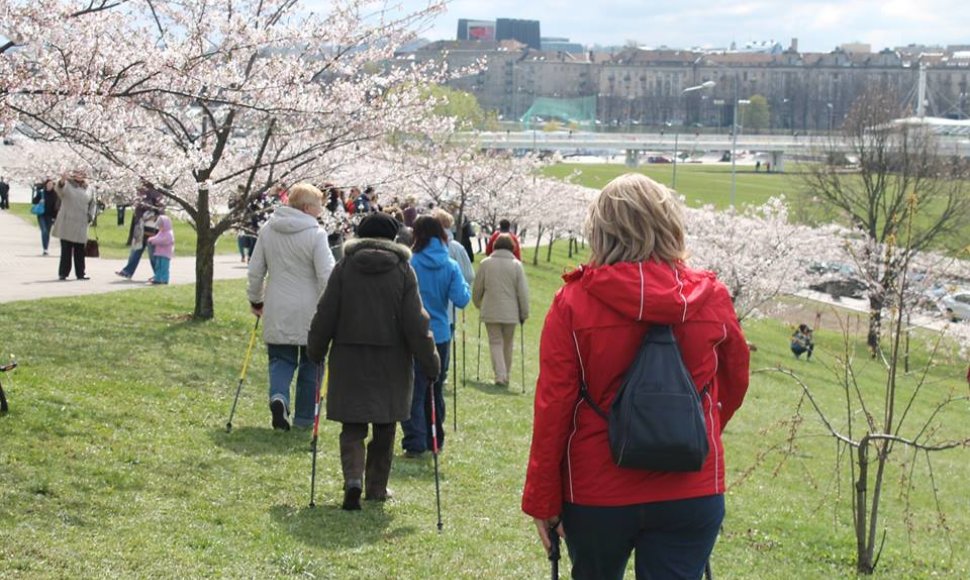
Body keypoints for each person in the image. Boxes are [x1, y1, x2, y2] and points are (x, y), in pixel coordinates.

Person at [522, 173, 750, 580]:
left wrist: (543, 497)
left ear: (600, 230)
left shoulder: (574, 303)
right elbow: (734, 384)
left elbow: (554, 405)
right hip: (690, 483)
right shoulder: (711, 297)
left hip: (597, 485)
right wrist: (691, 429)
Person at [307, 213, 440, 510]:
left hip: (349, 359)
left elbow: (325, 312)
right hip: (391, 362)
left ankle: (353, 480)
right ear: (393, 238)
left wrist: (315, 349)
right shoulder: (404, 271)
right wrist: (430, 360)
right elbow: (416, 322)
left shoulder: (344, 268)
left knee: (352, 425)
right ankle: (376, 488)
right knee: (385, 426)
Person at [247, 183, 335, 431]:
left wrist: (256, 299)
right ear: (308, 208)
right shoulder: (316, 235)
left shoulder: (268, 230)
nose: (321, 210)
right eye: (319, 206)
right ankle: (304, 419)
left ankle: (279, 396)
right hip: (311, 309)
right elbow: (326, 275)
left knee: (280, 359)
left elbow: (255, 271)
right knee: (312, 363)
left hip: (277, 305)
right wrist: (330, 305)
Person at [401, 216, 471, 458]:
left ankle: (414, 440)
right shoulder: (450, 265)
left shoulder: (411, 263)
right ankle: (434, 438)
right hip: (440, 333)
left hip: (412, 332)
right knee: (435, 387)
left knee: (414, 388)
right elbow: (461, 299)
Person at [473, 234, 529, 386]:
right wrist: (524, 312)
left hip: (491, 309)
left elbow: (478, 287)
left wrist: (478, 303)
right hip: (511, 312)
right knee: (508, 344)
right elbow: (522, 292)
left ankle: (500, 375)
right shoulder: (516, 265)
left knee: (495, 342)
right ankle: (505, 375)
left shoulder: (485, 264)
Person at [51, 170, 96, 281]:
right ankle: (63, 273)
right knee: (66, 249)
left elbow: (93, 204)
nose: (80, 175)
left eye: (82, 173)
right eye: (78, 173)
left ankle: (81, 273)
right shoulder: (68, 184)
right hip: (67, 221)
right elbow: (59, 190)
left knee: (80, 250)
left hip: (81, 222)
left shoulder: (89, 188)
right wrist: (62, 180)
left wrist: (90, 216)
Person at [116, 182, 164, 279]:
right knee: (136, 250)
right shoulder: (140, 191)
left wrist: (146, 207)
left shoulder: (156, 192)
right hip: (140, 226)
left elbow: (160, 209)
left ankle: (158, 274)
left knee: (152, 253)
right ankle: (128, 271)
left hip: (151, 227)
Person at [32, 179, 59, 255]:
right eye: (48, 184)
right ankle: (45, 248)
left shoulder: (55, 194)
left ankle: (46, 248)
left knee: (48, 232)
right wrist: (39, 201)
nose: (50, 185)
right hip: (41, 215)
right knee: (44, 230)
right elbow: (34, 201)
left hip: (50, 216)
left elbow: (56, 207)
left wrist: (55, 217)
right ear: (46, 185)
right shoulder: (41, 193)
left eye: (51, 184)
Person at [146, 215, 174, 285]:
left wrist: (153, 241)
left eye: (161, 226)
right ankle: (157, 279)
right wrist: (151, 239)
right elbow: (157, 237)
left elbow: (163, 241)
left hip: (165, 254)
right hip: (158, 253)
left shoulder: (169, 234)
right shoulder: (161, 233)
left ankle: (164, 280)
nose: (160, 227)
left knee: (164, 267)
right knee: (158, 266)